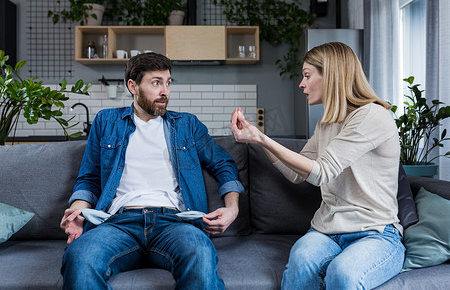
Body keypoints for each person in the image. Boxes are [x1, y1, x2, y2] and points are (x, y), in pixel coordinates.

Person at [60, 52, 244, 289]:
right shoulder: (106, 121)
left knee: (199, 253)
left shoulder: (187, 124)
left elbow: (224, 164)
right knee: (79, 257)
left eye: (168, 82)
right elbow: (89, 178)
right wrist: (76, 214)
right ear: (132, 86)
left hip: (176, 223)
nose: (164, 91)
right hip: (118, 223)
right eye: (156, 82)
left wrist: (232, 208)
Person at [230, 42, 405, 289]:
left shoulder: (371, 116)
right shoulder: (326, 124)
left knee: (343, 273)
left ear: (331, 76)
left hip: (375, 232)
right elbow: (295, 173)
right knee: (301, 262)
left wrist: (262, 138)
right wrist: (257, 139)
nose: (301, 84)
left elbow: (321, 172)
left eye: (307, 75)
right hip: (327, 229)